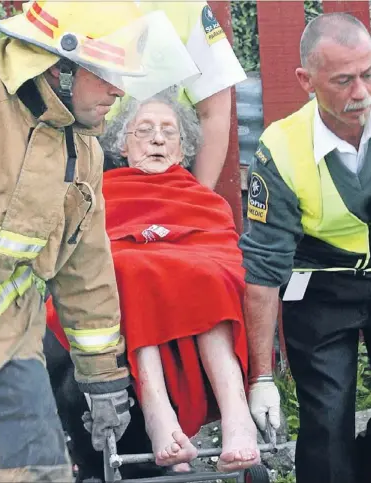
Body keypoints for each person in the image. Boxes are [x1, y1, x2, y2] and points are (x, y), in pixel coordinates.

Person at [0, 2, 196, 481]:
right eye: (107, 75)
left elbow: (86, 268)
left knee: (37, 470)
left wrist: (103, 377)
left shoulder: (81, 149)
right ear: (61, 66)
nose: (118, 91)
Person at [46, 91, 260, 475]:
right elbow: (89, 256)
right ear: (123, 146)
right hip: (133, 292)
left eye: (168, 133)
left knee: (209, 275)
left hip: (198, 297)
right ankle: (159, 414)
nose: (157, 139)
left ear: (182, 151)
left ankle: (237, 417)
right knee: (128, 269)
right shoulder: (102, 192)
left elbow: (227, 260)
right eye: (144, 130)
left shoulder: (205, 200)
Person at [239, 13, 371, 483]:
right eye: (343, 81)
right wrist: (262, 378)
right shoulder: (280, 147)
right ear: (306, 81)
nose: (362, 93)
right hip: (320, 290)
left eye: (368, 74)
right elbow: (264, 271)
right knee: (327, 423)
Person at [106, 1, 247, 189]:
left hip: (168, 162)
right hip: (89, 156)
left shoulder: (186, 6)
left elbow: (214, 111)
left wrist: (199, 198)